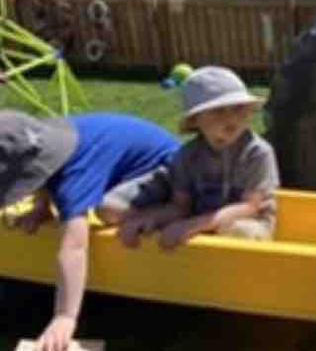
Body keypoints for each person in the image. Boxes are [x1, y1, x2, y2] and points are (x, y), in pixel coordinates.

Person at [0, 111, 179, 351]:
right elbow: (40, 171)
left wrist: (64, 317)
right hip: (125, 157)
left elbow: (74, 247)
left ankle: (172, 210)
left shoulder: (75, 175)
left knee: (110, 210)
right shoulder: (47, 139)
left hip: (171, 170)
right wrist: (42, 207)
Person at [118, 66, 279, 250]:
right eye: (218, 111)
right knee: (157, 231)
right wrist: (149, 219)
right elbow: (180, 207)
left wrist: (192, 226)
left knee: (239, 231)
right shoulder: (187, 155)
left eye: (238, 108)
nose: (231, 118)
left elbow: (250, 207)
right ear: (195, 120)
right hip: (202, 226)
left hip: (248, 225)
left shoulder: (256, 152)